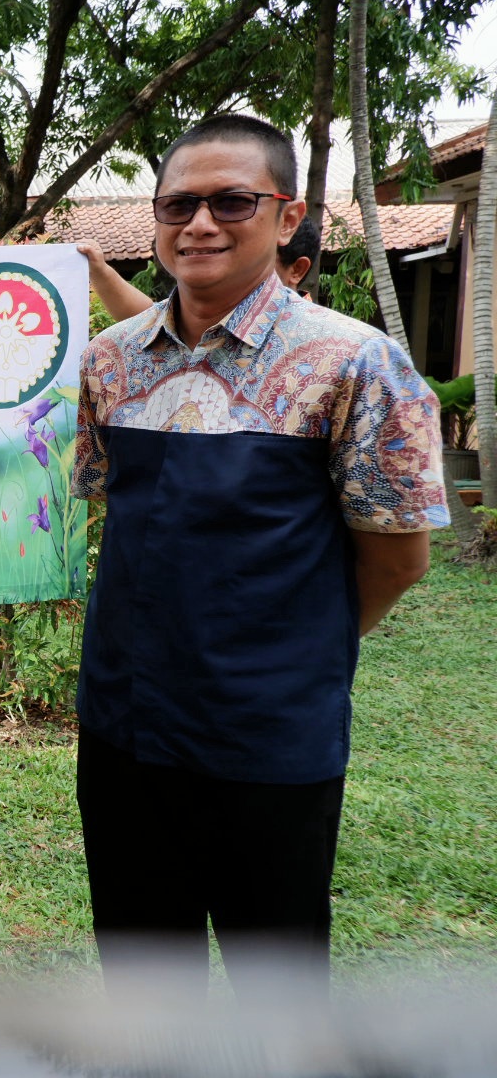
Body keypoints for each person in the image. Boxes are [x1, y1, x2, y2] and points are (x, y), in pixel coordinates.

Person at [70, 114, 447, 1001]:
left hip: (269, 741)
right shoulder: (111, 364)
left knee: (275, 990)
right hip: (124, 728)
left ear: (286, 216)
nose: (201, 223)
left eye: (232, 200)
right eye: (179, 204)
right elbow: (112, 510)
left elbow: (396, 558)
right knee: (142, 981)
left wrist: (290, 658)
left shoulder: (354, 362)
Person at [82, 214, 320, 322]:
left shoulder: (330, 348)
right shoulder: (197, 323)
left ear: (296, 270)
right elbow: (145, 319)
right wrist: (100, 270)